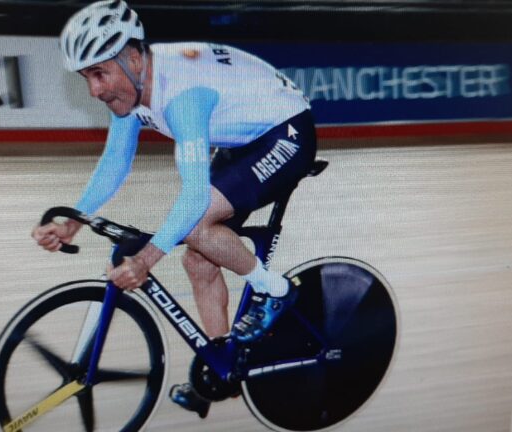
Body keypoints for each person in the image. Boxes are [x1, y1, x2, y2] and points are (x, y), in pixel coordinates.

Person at [31, 0, 317, 419]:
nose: (94, 90)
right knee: (198, 259)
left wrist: (145, 260)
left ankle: (276, 291)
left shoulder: (182, 93)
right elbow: (115, 163)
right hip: (243, 139)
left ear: (132, 58)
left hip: (286, 133)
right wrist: (72, 221)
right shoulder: (132, 87)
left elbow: (194, 198)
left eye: (99, 73)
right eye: (86, 77)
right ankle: (223, 367)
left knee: (196, 225)